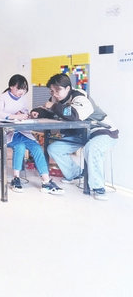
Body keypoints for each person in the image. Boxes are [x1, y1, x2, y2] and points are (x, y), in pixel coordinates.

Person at [31, 73, 118, 201]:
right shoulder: (56, 98)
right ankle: (75, 174)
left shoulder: (80, 97)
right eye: (52, 91)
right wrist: (37, 112)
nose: (55, 94)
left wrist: (53, 107)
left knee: (91, 148)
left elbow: (73, 114)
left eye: (58, 90)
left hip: (102, 131)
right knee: (54, 148)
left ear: (68, 88)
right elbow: (49, 110)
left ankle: (98, 187)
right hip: (81, 134)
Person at [0, 74, 63, 195]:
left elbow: (25, 111)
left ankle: (46, 182)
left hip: (21, 131)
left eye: (24, 89)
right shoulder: (2, 98)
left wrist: (26, 114)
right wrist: (13, 116)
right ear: (11, 87)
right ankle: (16, 178)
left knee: (37, 148)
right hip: (6, 133)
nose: (22, 92)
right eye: (19, 88)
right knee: (19, 146)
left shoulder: (22, 98)